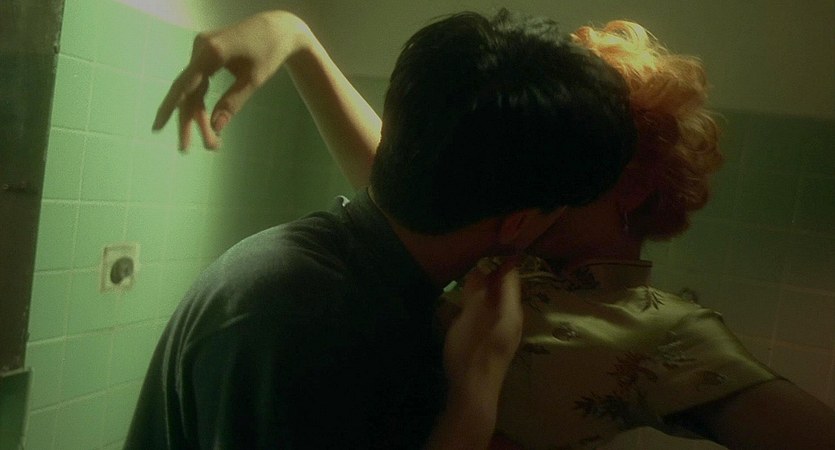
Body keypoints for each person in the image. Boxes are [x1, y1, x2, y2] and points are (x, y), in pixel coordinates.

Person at [178, 10, 835, 450]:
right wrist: (294, 37)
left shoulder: (662, 330)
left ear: (630, 187)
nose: (505, 167)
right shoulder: (502, 246)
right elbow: (403, 180)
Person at [126, 9, 637, 449]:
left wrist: (296, 35)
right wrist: (475, 398)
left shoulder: (378, 250)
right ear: (520, 221)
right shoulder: (306, 334)